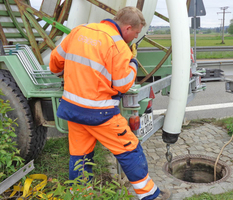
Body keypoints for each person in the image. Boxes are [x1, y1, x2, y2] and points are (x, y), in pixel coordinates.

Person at [49, 6, 170, 200]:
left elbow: (55, 63)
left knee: (80, 156)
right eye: (136, 33)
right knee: (130, 149)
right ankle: (151, 196)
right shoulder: (118, 46)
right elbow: (122, 85)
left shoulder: (79, 31)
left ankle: (80, 195)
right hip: (100, 113)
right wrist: (132, 63)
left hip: (73, 110)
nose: (135, 38)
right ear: (128, 28)